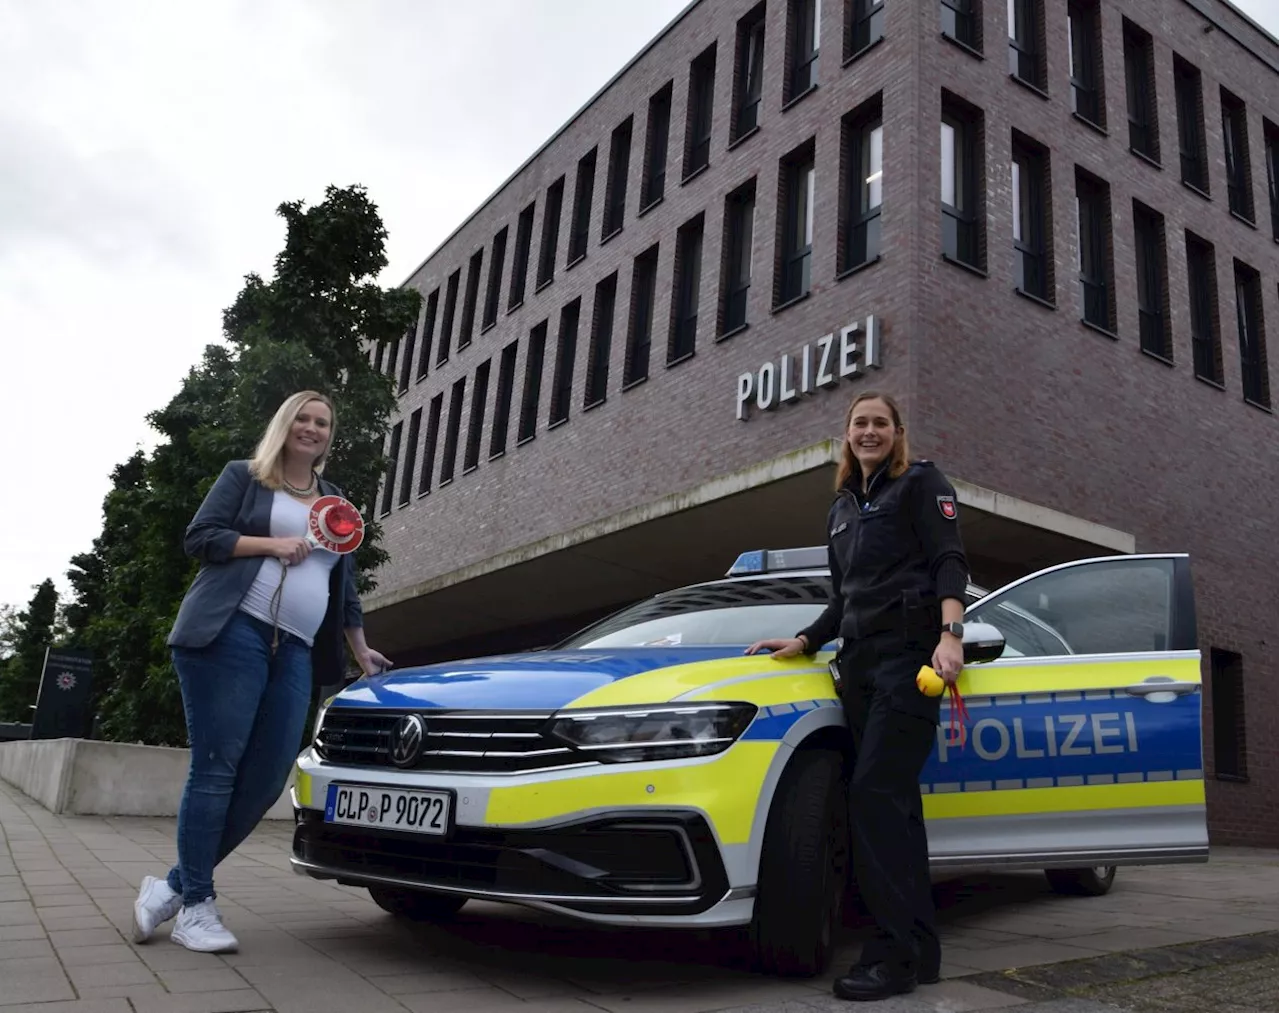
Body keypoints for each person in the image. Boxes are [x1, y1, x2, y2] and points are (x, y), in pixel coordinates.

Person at [131, 390, 391, 953]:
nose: (313, 428)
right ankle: (197, 906)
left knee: (270, 776)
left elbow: (342, 584)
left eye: (323, 422)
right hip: (231, 632)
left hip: (296, 649)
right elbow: (201, 538)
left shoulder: (334, 499)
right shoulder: (246, 476)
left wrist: (360, 649)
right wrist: (272, 544)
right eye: (303, 416)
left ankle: (173, 885)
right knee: (218, 768)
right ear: (285, 422)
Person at [747, 390, 969, 1002]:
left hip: (909, 661)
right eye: (859, 424)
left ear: (898, 434)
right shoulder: (842, 508)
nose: (869, 432)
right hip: (859, 666)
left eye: (880, 423)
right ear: (846, 435)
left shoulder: (922, 484)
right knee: (897, 808)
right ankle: (921, 952)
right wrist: (803, 639)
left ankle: (891, 957)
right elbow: (844, 598)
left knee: (872, 797)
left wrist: (951, 636)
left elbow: (950, 561)